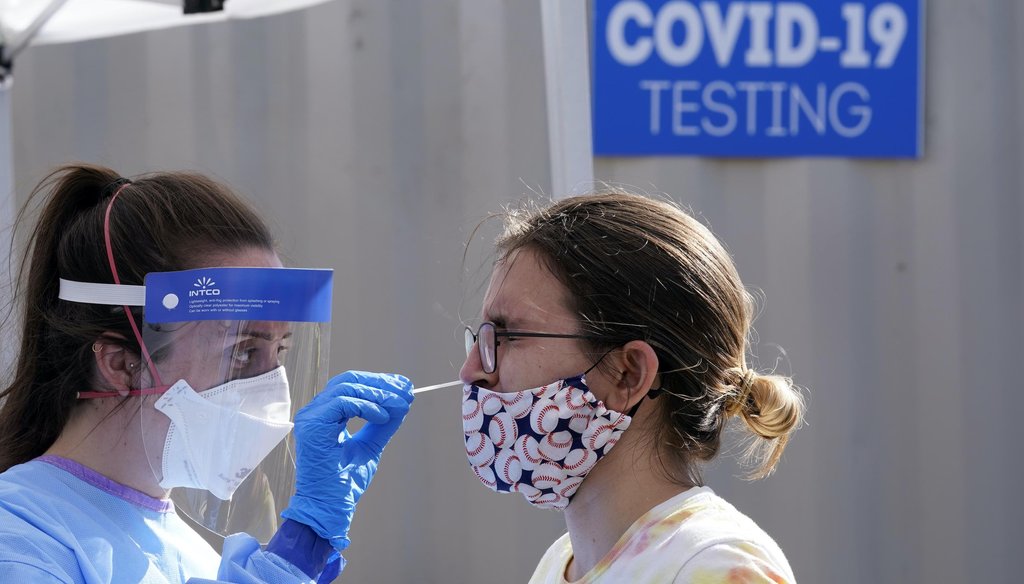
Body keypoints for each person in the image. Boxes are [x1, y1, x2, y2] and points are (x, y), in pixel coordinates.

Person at [0, 163, 414, 583]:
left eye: (281, 351)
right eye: (243, 352)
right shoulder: (19, 539)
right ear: (123, 363)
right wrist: (297, 549)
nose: (274, 391)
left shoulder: (195, 553)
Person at [459, 191, 803, 583]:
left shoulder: (713, 564)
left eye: (508, 335)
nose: (472, 371)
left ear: (629, 373)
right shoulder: (561, 564)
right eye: (482, 337)